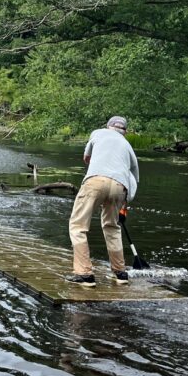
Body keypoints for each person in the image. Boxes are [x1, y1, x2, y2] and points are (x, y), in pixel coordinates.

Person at [65, 116, 139, 286]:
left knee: (78, 226)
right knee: (112, 227)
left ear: (108, 126)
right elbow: (134, 179)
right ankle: (120, 273)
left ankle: (84, 274)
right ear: (124, 132)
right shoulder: (127, 146)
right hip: (121, 186)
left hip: (95, 181)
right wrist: (124, 205)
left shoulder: (98, 133)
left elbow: (87, 158)